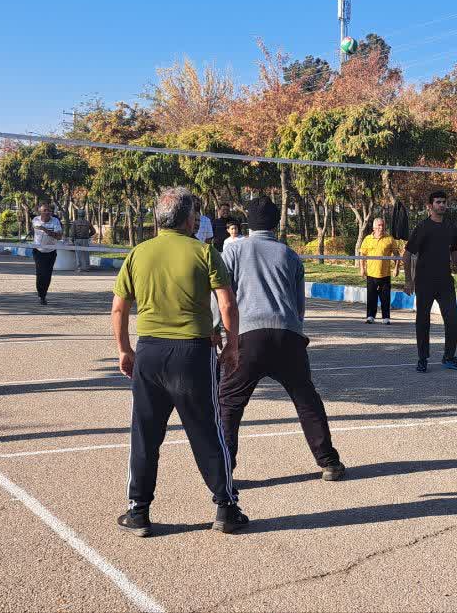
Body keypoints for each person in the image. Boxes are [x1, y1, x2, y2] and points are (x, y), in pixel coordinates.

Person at [111, 186, 247, 537]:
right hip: (192, 353)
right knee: (207, 431)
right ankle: (225, 508)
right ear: (190, 219)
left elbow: (119, 308)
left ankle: (138, 510)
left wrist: (124, 349)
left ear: (159, 219)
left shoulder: (138, 254)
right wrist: (232, 346)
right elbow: (227, 305)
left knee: (145, 434)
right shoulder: (204, 252)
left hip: (150, 352)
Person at [219, 196, 345, 481]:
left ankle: (224, 471)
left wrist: (219, 332)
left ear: (248, 223)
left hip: (248, 336)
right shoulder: (289, 255)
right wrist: (295, 330)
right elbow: (299, 306)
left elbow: (223, 297)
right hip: (287, 335)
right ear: (276, 223)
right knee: (306, 399)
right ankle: (329, 461)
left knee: (229, 403)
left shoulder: (233, 252)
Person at [403, 191, 457, 373]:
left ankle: (449, 357)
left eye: (444, 202)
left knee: (453, 320)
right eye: (438, 202)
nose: (442, 205)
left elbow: (454, 253)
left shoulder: (450, 227)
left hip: (445, 282)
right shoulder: (422, 227)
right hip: (424, 282)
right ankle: (422, 358)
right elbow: (407, 255)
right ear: (430, 206)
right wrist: (408, 280)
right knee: (423, 321)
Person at [359, 217, 402, 325]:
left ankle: (386, 317)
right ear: (374, 227)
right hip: (371, 273)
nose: (381, 227)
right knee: (371, 296)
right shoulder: (367, 239)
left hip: (385, 274)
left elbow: (397, 255)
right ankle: (370, 316)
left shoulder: (389, 239)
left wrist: (396, 268)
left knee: (385, 297)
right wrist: (362, 268)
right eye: (379, 225)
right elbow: (362, 255)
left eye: (383, 225)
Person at [31, 204, 64, 305]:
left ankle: (43, 295)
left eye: (49, 210)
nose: (47, 212)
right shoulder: (36, 220)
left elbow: (59, 237)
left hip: (51, 251)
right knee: (40, 273)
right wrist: (50, 232)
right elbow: (38, 228)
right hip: (38, 251)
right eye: (44, 210)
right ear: (40, 212)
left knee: (47, 274)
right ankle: (41, 295)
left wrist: (44, 229)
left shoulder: (55, 221)